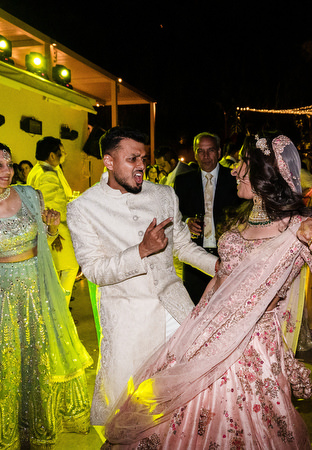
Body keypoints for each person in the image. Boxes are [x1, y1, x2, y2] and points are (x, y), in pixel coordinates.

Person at [102, 134, 312, 449]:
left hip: (252, 350)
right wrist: (189, 334)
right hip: (205, 338)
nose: (233, 171)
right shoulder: (240, 221)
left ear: (260, 174)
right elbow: (220, 284)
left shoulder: (300, 231)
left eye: (242, 163)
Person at [67, 127, 219, 426]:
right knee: (133, 407)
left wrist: (220, 267)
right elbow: (95, 270)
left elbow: (184, 247)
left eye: (144, 159)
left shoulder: (163, 194)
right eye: (132, 158)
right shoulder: (83, 208)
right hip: (128, 319)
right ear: (108, 162)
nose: (141, 166)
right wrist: (140, 251)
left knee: (189, 394)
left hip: (176, 310)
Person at [0, 141, 93, 448]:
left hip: (37, 288)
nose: (8, 171)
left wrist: (53, 228)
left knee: (39, 360)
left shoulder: (30, 195)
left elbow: (45, 242)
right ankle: (5, 434)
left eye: (9, 164)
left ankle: (39, 430)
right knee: (3, 365)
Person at [174, 132, 242, 304]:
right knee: (194, 308)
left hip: (227, 256)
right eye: (200, 151)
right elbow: (174, 215)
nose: (205, 156)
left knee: (226, 306)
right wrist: (186, 221)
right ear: (195, 154)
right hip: (195, 257)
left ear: (219, 152)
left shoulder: (234, 179)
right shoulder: (183, 181)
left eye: (210, 150)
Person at [26, 137, 78, 304]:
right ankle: (60, 309)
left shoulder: (38, 169)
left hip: (50, 229)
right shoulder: (47, 174)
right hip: (56, 230)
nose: (64, 155)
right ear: (52, 155)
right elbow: (49, 206)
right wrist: (54, 233)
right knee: (69, 268)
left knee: (56, 272)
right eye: (61, 152)